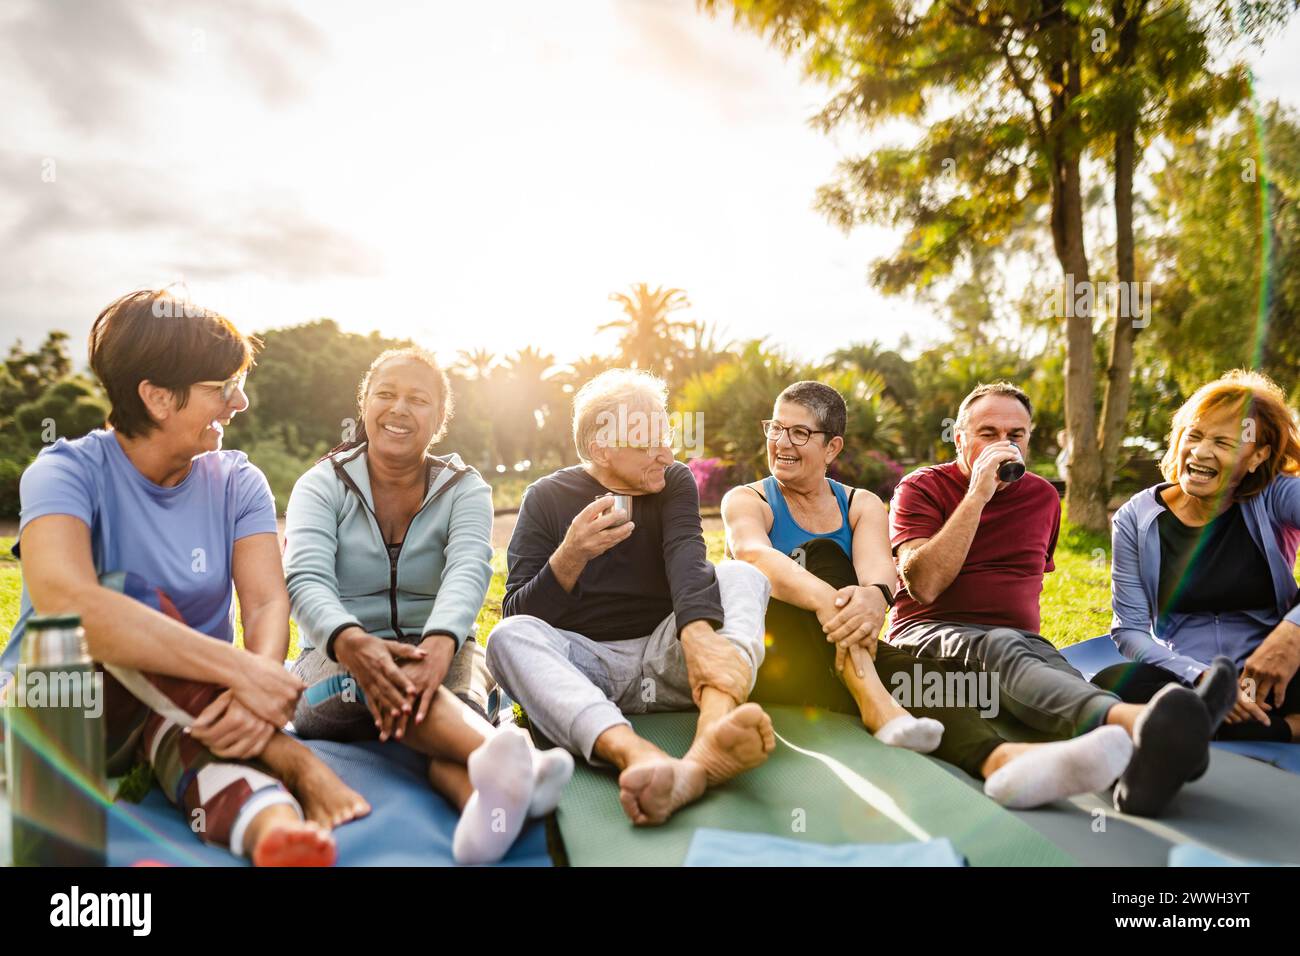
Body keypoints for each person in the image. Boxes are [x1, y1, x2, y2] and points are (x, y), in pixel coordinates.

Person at [4, 289, 366, 866]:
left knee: (218, 752)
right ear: (156, 397)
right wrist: (242, 673)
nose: (240, 402)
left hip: (178, 714)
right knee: (123, 595)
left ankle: (274, 835)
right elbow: (65, 604)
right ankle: (297, 763)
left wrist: (255, 689)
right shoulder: (63, 472)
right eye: (222, 387)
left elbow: (268, 603)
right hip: (62, 709)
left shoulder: (238, 481)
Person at [723, 381, 1134, 808]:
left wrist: (875, 597)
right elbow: (754, 555)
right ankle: (873, 700)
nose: (781, 442)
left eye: (799, 433)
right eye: (776, 428)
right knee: (823, 556)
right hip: (774, 662)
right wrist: (844, 601)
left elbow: (881, 574)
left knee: (922, 677)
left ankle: (1001, 760)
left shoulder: (860, 504)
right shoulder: (749, 499)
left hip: (831, 665)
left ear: (832, 447)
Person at [888, 382, 1233, 816]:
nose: (1003, 444)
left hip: (1020, 645)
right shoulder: (920, 488)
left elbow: (1028, 583)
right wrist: (977, 494)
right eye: (987, 433)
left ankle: (1137, 781)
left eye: (1015, 435)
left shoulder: (1043, 497)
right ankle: (1140, 723)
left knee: (1054, 681)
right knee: (1006, 650)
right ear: (959, 438)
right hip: (927, 640)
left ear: (1029, 439)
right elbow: (926, 585)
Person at [284, 347, 572, 864]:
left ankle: (482, 818)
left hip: (439, 648)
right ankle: (516, 762)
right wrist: (353, 645)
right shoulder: (322, 483)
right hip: (333, 663)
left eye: (418, 399)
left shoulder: (465, 489)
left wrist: (441, 644)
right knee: (419, 703)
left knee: (448, 712)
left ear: (439, 419)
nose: (399, 409)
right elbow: (305, 577)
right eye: (386, 394)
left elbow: (469, 568)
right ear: (364, 403)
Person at [486, 369, 774, 826]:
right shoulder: (545, 498)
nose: (666, 453)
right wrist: (572, 554)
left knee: (741, 574)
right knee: (507, 637)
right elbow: (518, 612)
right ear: (601, 447)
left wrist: (697, 639)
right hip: (587, 670)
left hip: (669, 660)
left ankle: (711, 733)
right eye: (647, 443)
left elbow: (687, 556)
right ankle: (635, 755)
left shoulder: (673, 480)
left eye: (668, 437)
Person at [1098, 370, 1300, 744]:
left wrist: (1292, 635)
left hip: (1277, 675)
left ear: (1257, 456)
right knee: (1112, 687)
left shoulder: (1276, 496)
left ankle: (1198, 727)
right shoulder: (1135, 518)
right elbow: (1129, 629)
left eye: (1223, 442)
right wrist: (1202, 677)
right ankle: (1287, 729)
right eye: (1194, 435)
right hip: (1190, 680)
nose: (1201, 451)